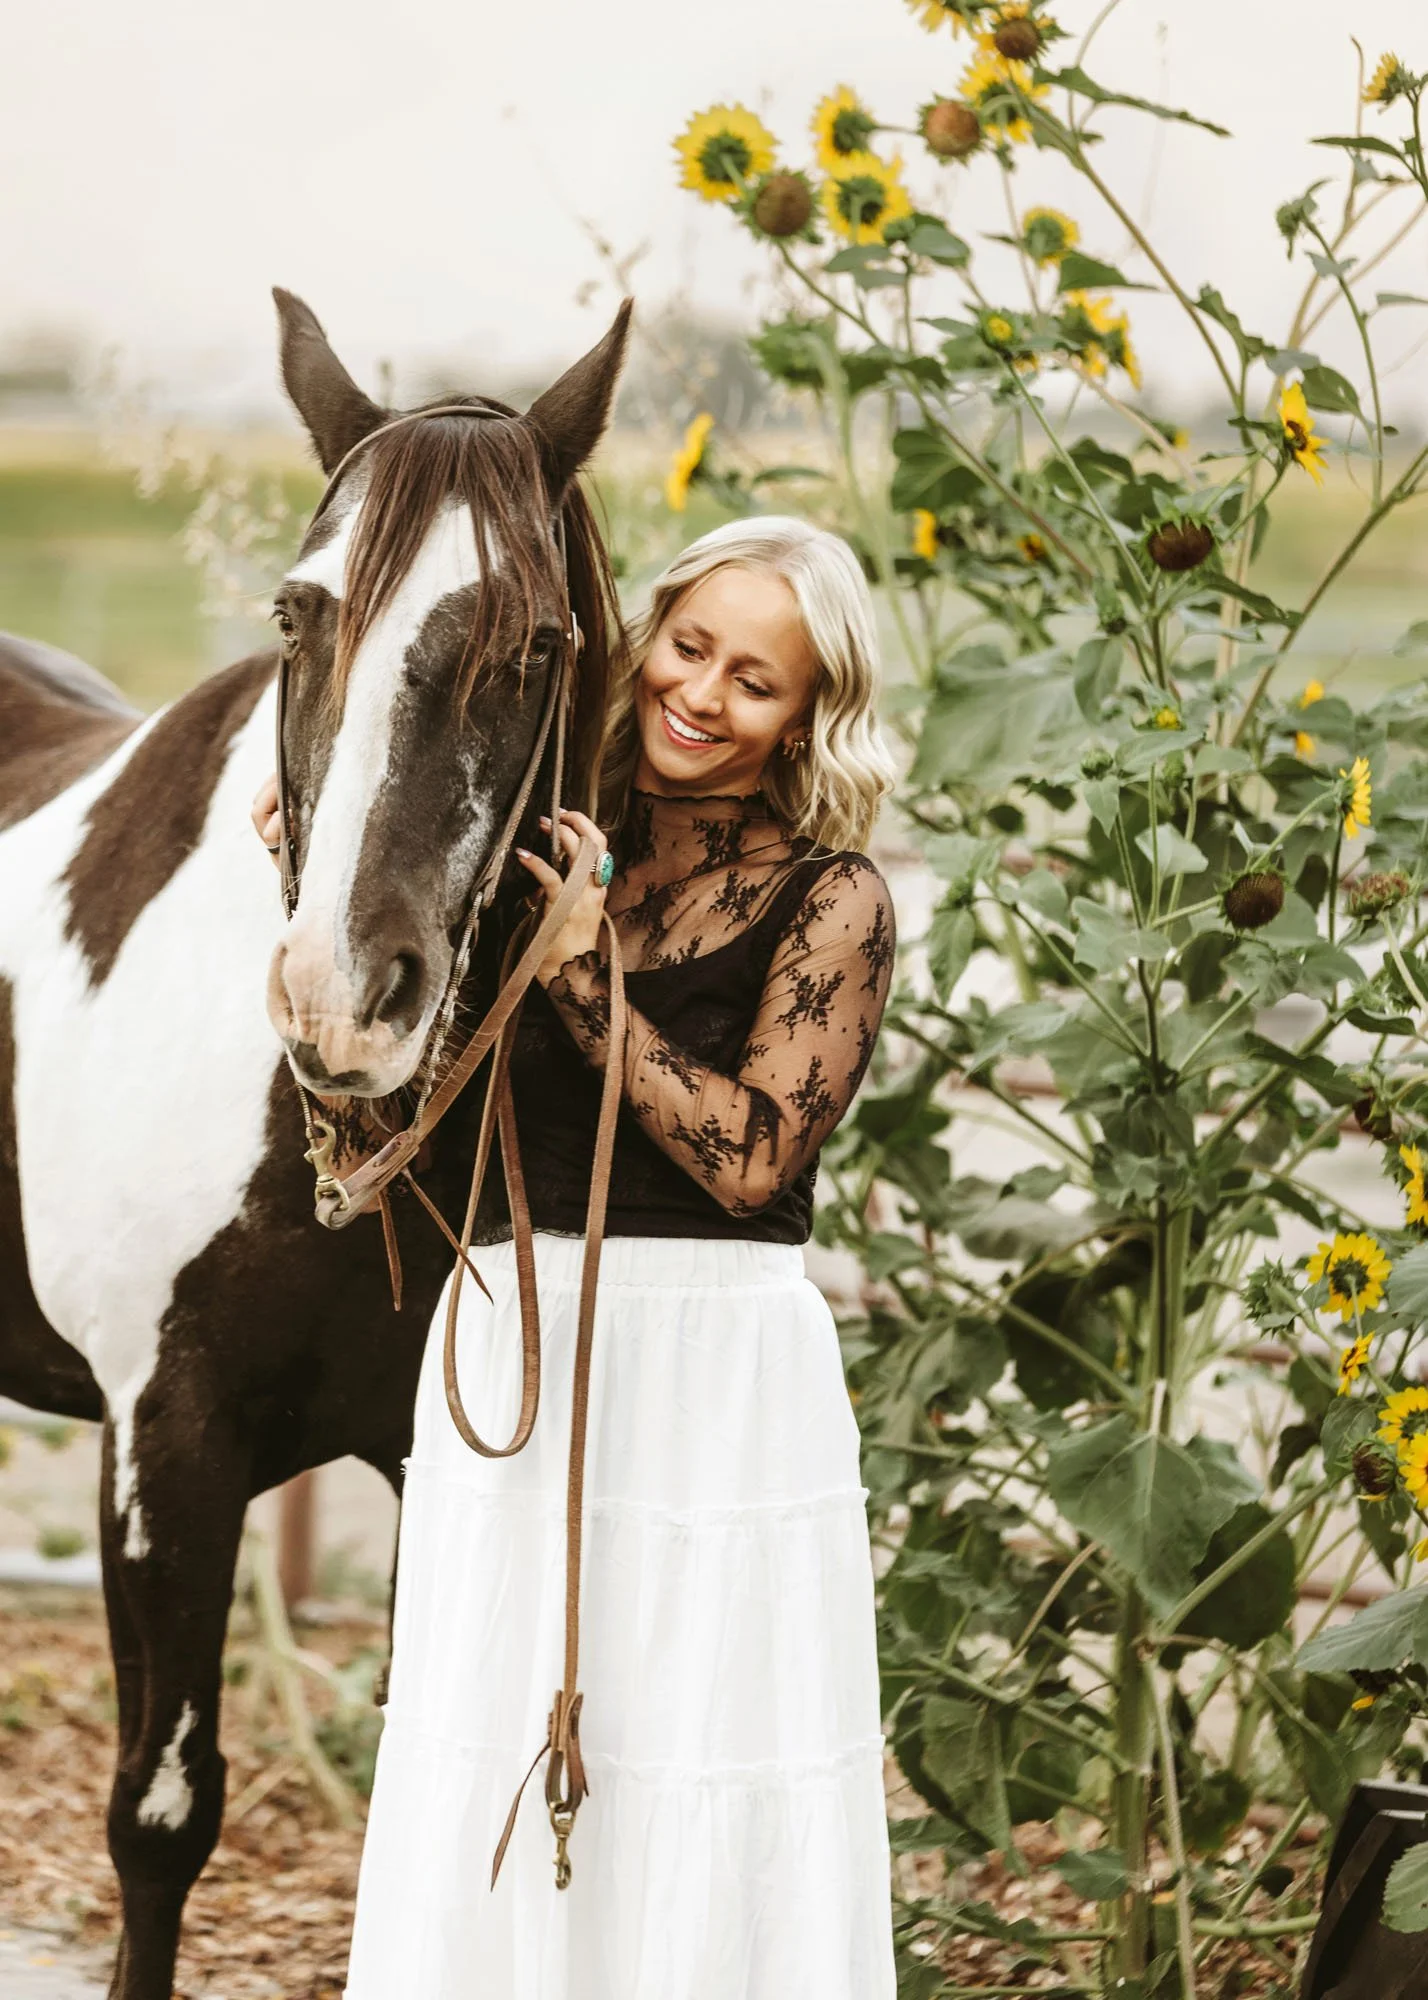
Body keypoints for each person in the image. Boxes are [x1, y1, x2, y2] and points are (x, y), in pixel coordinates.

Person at [252, 514, 900, 1999]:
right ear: (643, 638)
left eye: (757, 679)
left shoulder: (831, 900)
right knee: (493, 1713)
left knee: (698, 1738)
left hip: (715, 1368)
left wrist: (587, 982)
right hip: (519, 1345)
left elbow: (753, 1159)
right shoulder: (522, 863)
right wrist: (325, 888)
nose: (703, 694)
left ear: (806, 715)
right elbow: (383, 1112)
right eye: (690, 647)